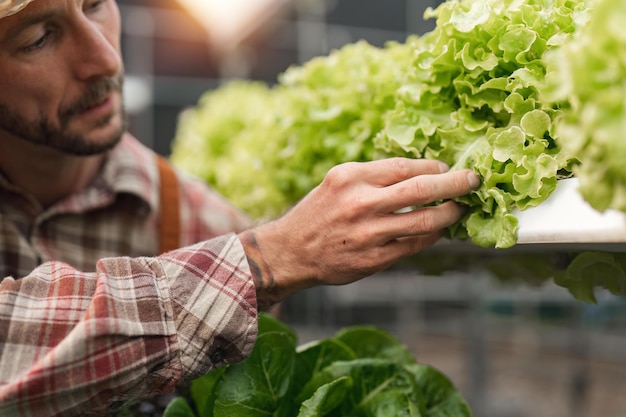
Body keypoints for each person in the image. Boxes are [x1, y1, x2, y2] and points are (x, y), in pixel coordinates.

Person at [0, 0, 481, 416]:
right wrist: (266, 260)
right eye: (39, 38)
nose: (103, 60)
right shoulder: (244, 254)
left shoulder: (199, 221)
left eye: (96, 5)